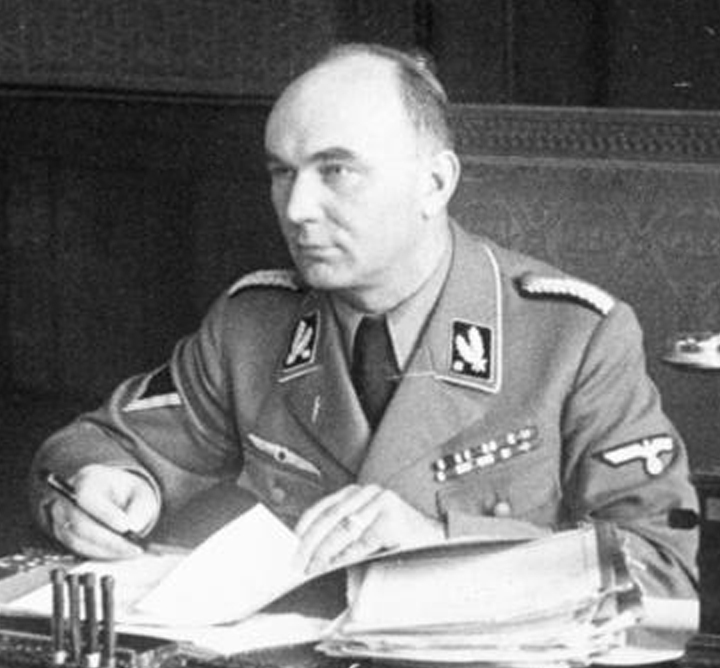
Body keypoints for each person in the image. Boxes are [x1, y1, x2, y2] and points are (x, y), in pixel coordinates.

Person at [29, 43, 697, 597]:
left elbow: (662, 566)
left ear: (435, 183)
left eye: (336, 170)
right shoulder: (253, 324)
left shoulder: (574, 337)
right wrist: (109, 488)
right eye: (282, 173)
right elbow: (94, 445)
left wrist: (439, 544)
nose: (297, 209)